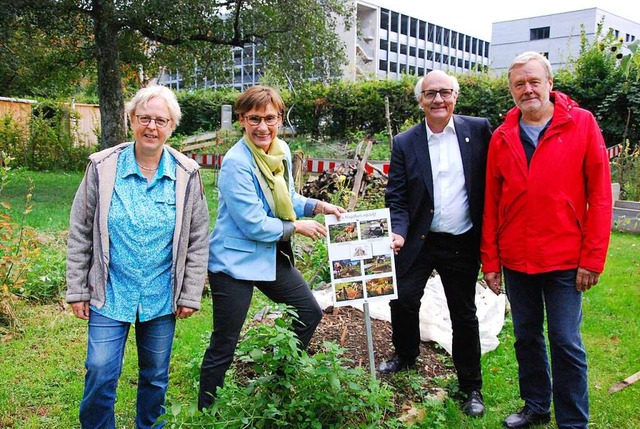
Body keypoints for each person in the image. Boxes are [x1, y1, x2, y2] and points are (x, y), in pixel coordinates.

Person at [65, 85, 210, 429]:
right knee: (100, 371)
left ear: (172, 126)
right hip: (110, 290)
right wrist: (77, 289)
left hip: (161, 294)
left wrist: (190, 292)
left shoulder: (186, 173)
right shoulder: (102, 167)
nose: (151, 127)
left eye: (161, 120)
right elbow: (81, 229)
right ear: (131, 120)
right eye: (144, 118)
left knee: (156, 376)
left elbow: (198, 238)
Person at [481, 51, 612, 429]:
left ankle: (572, 421)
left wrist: (593, 259)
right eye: (518, 84)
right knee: (526, 337)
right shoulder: (503, 136)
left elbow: (601, 196)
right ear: (511, 91)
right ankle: (536, 406)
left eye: (534, 81)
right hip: (517, 258)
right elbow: (492, 202)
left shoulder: (582, 124)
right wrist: (491, 261)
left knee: (565, 340)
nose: (527, 90)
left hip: (566, 258)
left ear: (550, 84)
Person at [198, 85, 346, 410]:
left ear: (280, 119)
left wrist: (321, 206)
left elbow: (287, 198)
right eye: (254, 119)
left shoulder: (279, 151)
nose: (262, 127)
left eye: (270, 118)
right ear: (241, 119)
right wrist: (297, 227)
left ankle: (278, 383)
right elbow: (253, 223)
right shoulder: (237, 163)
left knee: (308, 312)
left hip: (267, 256)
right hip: (233, 262)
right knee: (225, 342)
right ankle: (207, 410)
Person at [381, 70, 493, 417]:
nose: (438, 100)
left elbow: (493, 180)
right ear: (420, 101)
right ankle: (406, 355)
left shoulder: (478, 130)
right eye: (430, 94)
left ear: (455, 97)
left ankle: (471, 387)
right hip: (420, 238)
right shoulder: (405, 142)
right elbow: (396, 195)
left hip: (461, 238)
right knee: (402, 299)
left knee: (464, 313)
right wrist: (398, 230)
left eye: (445, 92)